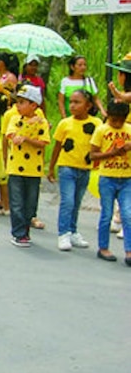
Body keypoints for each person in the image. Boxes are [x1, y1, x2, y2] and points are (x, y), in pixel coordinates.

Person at [48, 90, 101, 251]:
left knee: (76, 201)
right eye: (71, 102)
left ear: (88, 105)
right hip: (67, 167)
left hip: (85, 168)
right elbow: (57, 146)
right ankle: (63, 233)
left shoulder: (96, 123)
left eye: (77, 102)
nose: (72, 105)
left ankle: (73, 231)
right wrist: (51, 168)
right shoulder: (65, 123)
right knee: (68, 201)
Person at [4, 85, 50, 247]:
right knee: (16, 202)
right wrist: (25, 129)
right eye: (17, 102)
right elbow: (12, 136)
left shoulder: (42, 122)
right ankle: (19, 233)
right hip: (16, 167)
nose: (18, 105)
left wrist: (27, 138)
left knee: (30, 203)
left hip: (34, 169)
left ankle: (26, 230)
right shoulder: (15, 119)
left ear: (33, 105)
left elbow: (43, 142)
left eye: (22, 102)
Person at [89, 99, 131, 264]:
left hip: (127, 178)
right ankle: (103, 247)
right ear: (108, 116)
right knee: (106, 214)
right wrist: (112, 153)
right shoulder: (101, 130)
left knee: (127, 214)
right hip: (107, 177)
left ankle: (129, 251)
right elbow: (93, 155)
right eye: (114, 120)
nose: (118, 124)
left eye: (121, 120)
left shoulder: (129, 130)